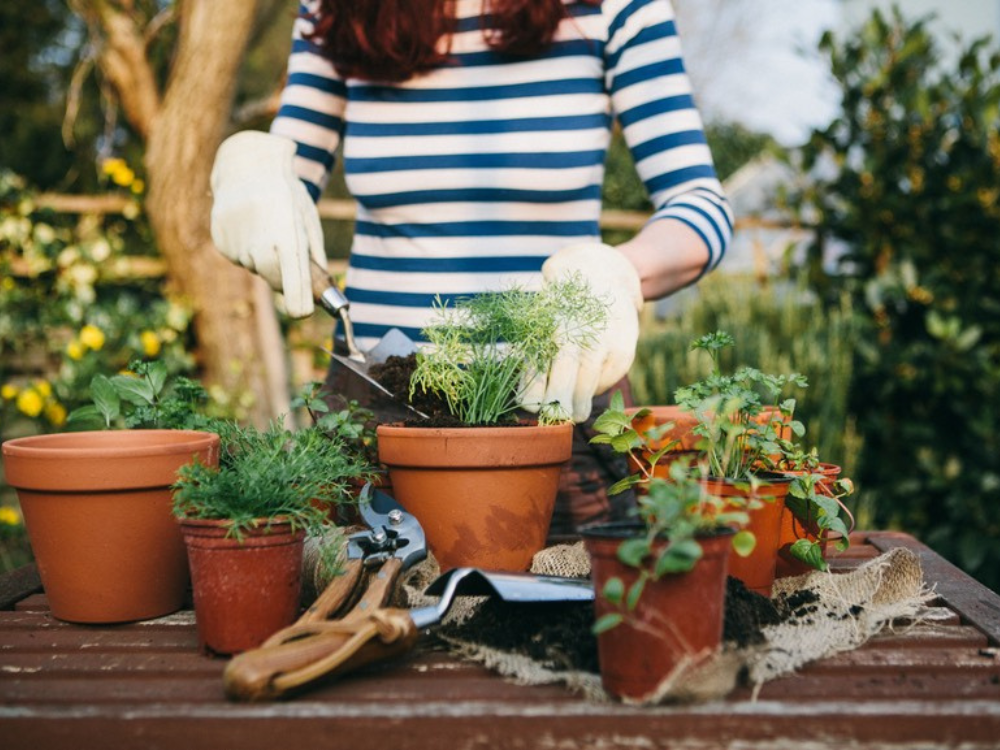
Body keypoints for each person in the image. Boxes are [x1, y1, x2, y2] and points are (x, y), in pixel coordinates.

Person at [210, 0, 732, 534]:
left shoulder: (614, 9)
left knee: (571, 599)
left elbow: (699, 206)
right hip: (376, 412)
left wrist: (622, 271)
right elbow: (287, 178)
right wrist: (250, 169)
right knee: (365, 603)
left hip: (555, 413)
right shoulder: (338, 9)